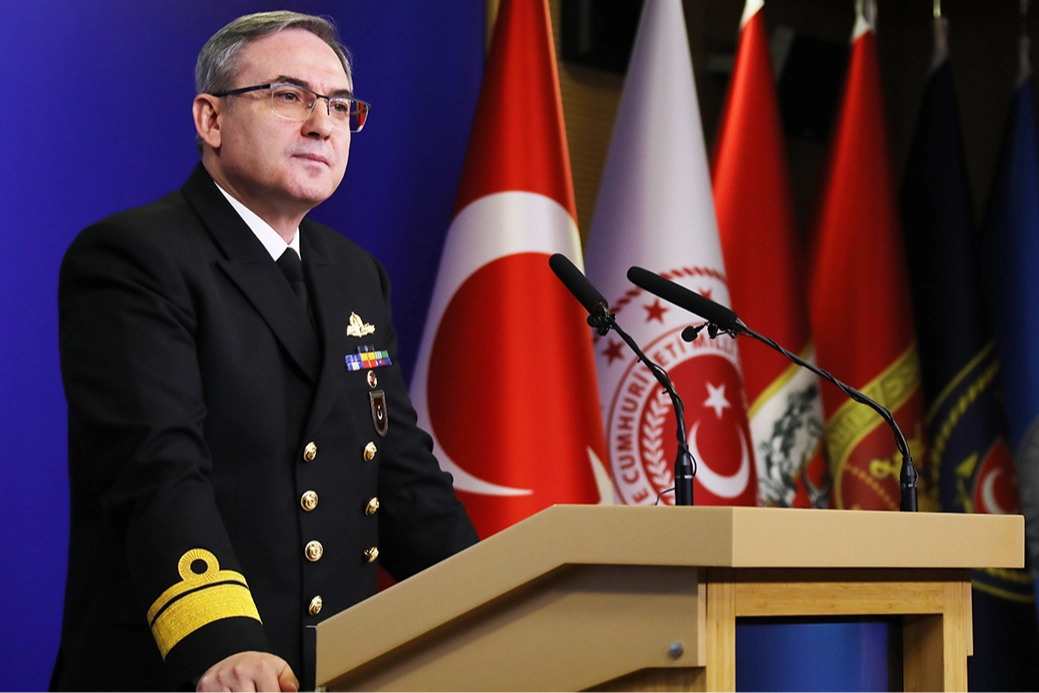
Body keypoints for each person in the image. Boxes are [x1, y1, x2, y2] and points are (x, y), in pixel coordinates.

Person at [51, 11, 478, 692]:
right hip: (199, 668)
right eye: (288, 96)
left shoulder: (353, 273)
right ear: (211, 119)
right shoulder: (136, 257)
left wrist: (500, 601)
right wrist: (221, 643)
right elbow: (157, 468)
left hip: (336, 671)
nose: (321, 124)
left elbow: (399, 474)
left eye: (339, 105)